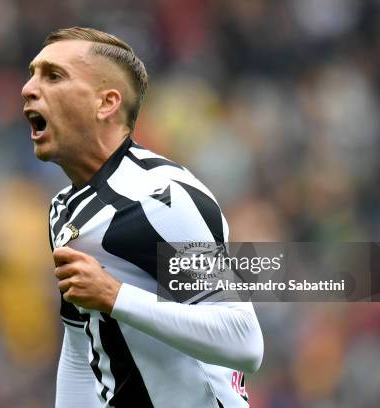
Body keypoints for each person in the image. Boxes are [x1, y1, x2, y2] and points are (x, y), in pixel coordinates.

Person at [21, 27, 264, 408]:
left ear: (106, 103)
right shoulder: (63, 210)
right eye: (33, 73)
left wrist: (116, 297)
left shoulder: (161, 199)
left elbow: (244, 341)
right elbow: (81, 347)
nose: (29, 88)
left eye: (53, 76)